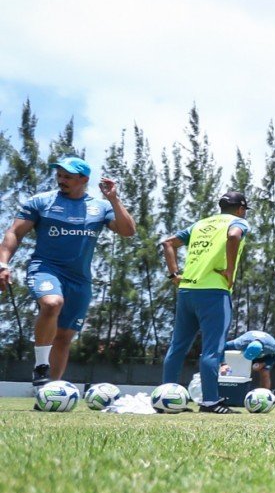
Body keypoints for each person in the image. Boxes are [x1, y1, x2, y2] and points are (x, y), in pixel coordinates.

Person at [1, 156, 137, 385]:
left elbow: (127, 231)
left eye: (68, 177)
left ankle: (48, 390)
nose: (61, 180)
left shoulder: (100, 207)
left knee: (64, 337)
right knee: (52, 303)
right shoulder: (41, 202)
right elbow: (14, 232)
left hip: (80, 279)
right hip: (45, 268)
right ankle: (41, 365)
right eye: (59, 175)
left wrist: (114, 200)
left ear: (84, 179)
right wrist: (3, 263)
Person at [160, 190, 251, 413]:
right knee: (211, 350)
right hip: (214, 292)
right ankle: (210, 401)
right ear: (240, 209)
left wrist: (174, 275)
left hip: (187, 290)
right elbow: (233, 236)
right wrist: (230, 270)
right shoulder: (238, 222)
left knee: (177, 347)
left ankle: (164, 398)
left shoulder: (200, 224)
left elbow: (167, 243)